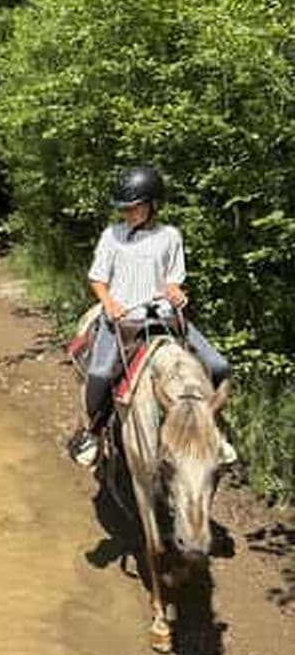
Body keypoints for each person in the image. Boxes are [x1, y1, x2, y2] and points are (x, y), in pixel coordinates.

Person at [68, 165, 235, 468]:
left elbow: (172, 278)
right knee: (100, 374)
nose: (128, 214)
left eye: (134, 208)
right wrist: (109, 303)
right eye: (124, 209)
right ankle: (92, 431)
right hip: (123, 319)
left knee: (219, 365)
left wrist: (175, 292)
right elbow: (97, 279)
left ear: (153, 205)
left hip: (164, 318)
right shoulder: (112, 235)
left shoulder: (170, 236)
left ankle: (215, 432)